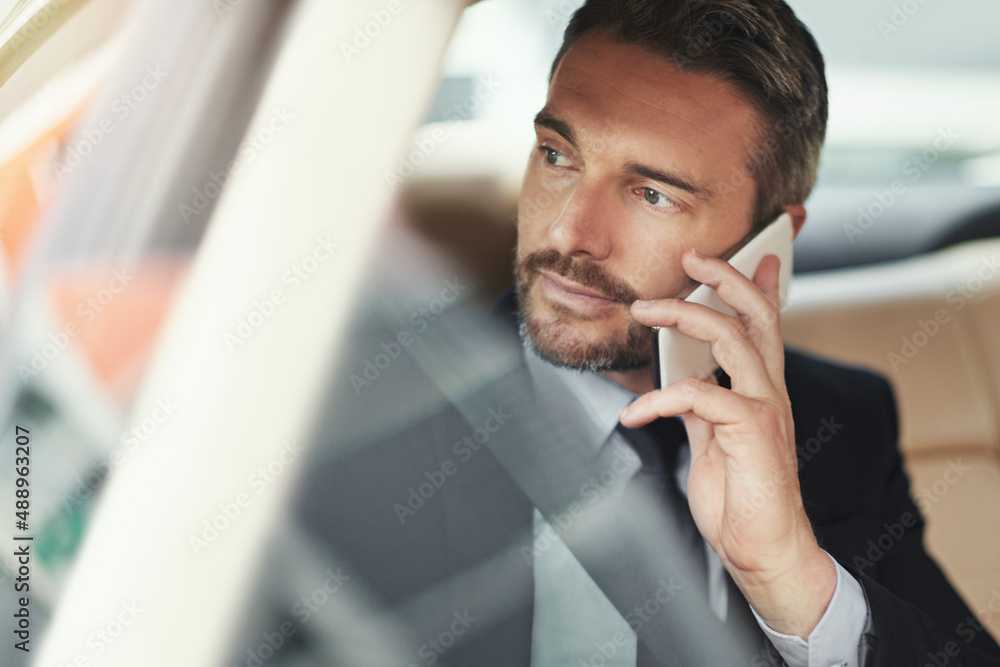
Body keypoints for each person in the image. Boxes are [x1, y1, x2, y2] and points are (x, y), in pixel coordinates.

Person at [287, 1, 1000, 665]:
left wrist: (793, 578)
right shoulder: (350, 425)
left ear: (769, 247)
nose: (571, 232)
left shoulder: (839, 421)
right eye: (558, 156)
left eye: (652, 193)